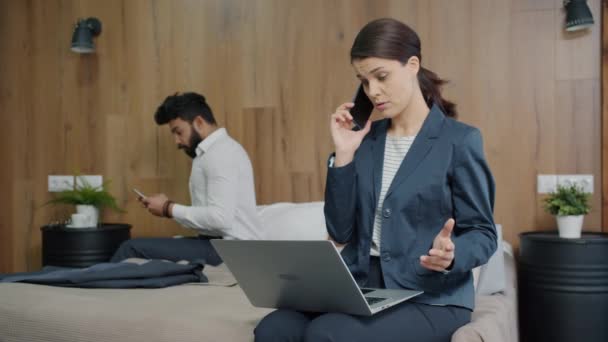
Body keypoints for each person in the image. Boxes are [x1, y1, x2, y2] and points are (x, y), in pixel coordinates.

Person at [254, 18, 497, 342]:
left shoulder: (459, 140)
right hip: (361, 288)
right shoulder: (364, 141)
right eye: (364, 81)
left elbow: (482, 232)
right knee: (274, 328)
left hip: (430, 296)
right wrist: (343, 154)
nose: (373, 91)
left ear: (412, 65)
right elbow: (340, 231)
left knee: (328, 333)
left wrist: (452, 254)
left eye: (381, 77)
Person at [111, 92, 262, 266]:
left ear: (198, 122)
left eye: (178, 132)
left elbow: (221, 218)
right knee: (140, 249)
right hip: (218, 244)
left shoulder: (221, 153)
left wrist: (168, 208)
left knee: (131, 248)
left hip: (233, 251)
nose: (177, 141)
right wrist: (166, 208)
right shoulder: (211, 153)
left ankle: (90, 287)